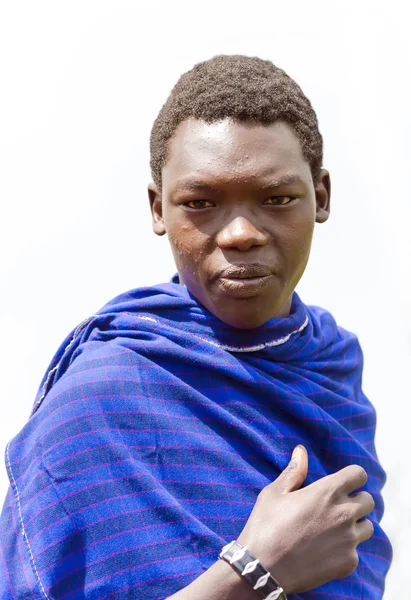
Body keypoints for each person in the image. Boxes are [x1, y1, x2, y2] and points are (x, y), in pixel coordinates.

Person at [0, 55, 392, 599]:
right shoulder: (98, 403)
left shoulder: (329, 369)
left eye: (277, 199)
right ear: (159, 208)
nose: (239, 233)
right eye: (200, 204)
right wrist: (257, 570)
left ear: (320, 198)